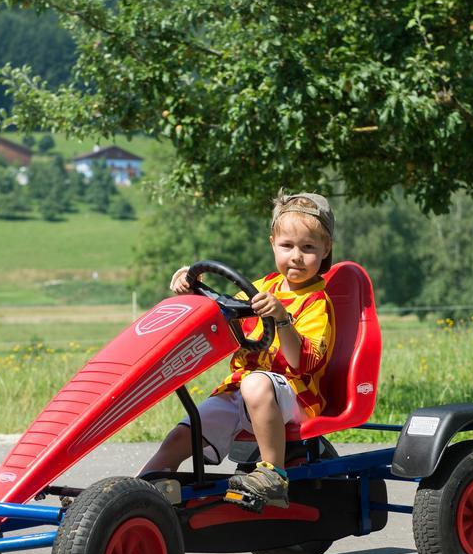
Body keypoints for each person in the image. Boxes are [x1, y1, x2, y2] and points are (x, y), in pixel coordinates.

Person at [138, 191, 337, 512]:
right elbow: (220, 316)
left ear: (325, 249)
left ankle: (273, 474)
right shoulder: (259, 287)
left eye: (308, 248)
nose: (296, 256)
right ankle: (138, 492)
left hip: (297, 396)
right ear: (273, 243)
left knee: (255, 382)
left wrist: (282, 318)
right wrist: (192, 289)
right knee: (183, 434)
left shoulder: (317, 302)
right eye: (287, 246)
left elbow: (303, 362)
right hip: (243, 389)